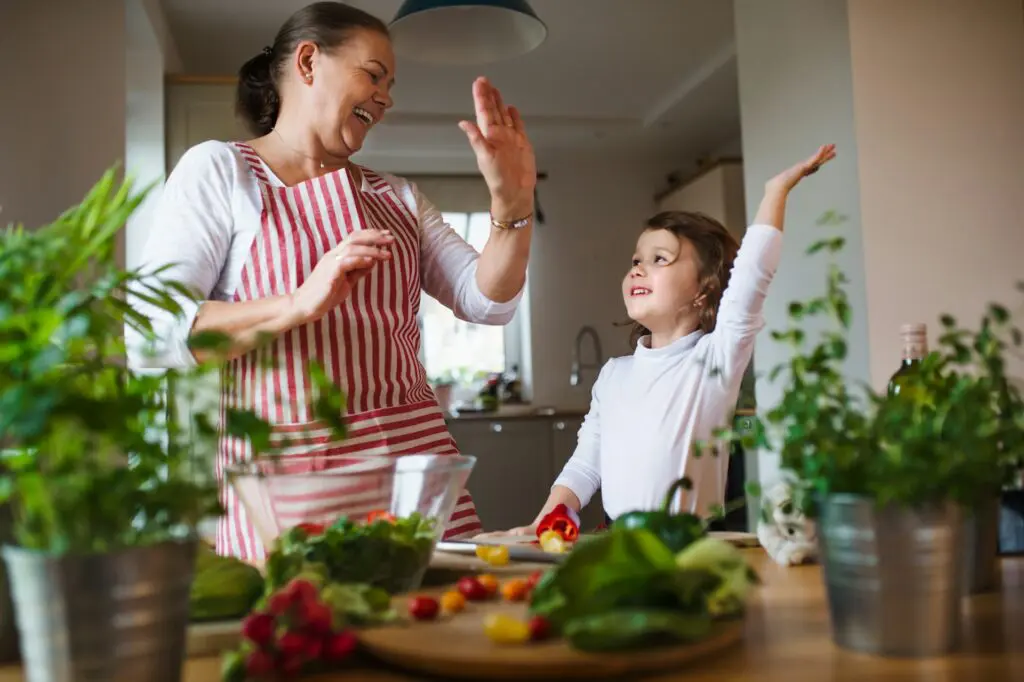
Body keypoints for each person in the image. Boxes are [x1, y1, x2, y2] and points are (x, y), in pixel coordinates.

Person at [126, 1, 537, 562]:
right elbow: (151, 333)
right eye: (374, 74)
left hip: (409, 476)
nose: (387, 97)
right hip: (292, 484)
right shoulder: (221, 171)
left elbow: (485, 301)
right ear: (309, 61)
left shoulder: (397, 196)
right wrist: (296, 303)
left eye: (390, 85)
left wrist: (511, 206)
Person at [486, 144, 837, 537]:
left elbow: (751, 279)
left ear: (704, 289)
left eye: (660, 259)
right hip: (616, 539)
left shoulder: (714, 359)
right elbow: (586, 465)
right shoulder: (613, 375)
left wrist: (775, 193)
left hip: (692, 546)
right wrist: (541, 524)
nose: (638, 269)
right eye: (637, 260)